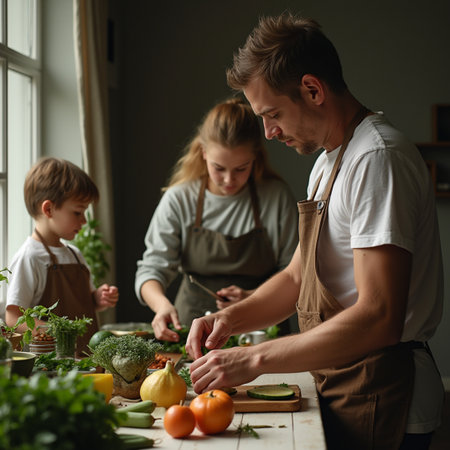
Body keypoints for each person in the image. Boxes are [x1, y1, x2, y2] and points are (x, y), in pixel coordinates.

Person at [185, 14, 444, 450]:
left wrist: (255, 358)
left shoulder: (376, 159)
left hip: (390, 393)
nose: (268, 132)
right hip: (347, 382)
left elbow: (380, 316)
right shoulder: (327, 163)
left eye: (272, 114)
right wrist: (229, 320)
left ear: (312, 89)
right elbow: (297, 277)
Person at [135, 97, 298, 342]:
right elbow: (151, 269)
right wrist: (161, 306)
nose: (229, 180)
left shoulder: (275, 197)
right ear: (203, 153)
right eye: (219, 168)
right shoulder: (180, 199)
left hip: (260, 332)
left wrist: (252, 297)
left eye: (241, 168)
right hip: (192, 332)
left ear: (255, 157)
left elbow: (295, 270)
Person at [6, 157, 119, 354]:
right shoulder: (30, 257)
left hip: (87, 362)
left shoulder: (75, 255)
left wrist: (98, 299)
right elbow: (14, 318)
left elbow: (84, 303)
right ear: (48, 209)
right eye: (78, 213)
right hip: (51, 365)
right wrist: (58, 332)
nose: (84, 221)